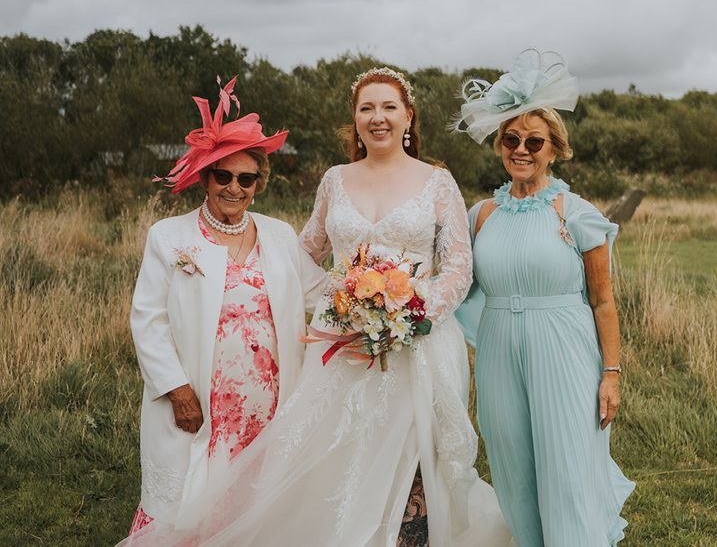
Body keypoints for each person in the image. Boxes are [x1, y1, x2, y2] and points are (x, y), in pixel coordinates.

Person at [122, 68, 513, 546]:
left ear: (408, 116)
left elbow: (458, 267)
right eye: (366, 108)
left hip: (416, 345)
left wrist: (409, 315)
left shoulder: (438, 182)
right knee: (335, 458)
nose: (378, 117)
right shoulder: (335, 180)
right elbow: (302, 253)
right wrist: (346, 305)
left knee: (415, 459)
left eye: (388, 107)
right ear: (355, 118)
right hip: (341, 346)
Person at [127, 77, 326, 534]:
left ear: (259, 183)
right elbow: (148, 321)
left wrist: (374, 293)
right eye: (223, 175)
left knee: (258, 499)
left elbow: (320, 293)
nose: (234, 188)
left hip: (268, 400)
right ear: (205, 177)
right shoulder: (169, 237)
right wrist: (177, 390)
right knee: (194, 500)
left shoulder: (278, 233)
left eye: (247, 178)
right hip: (200, 398)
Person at [453, 49, 635, 546]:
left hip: (565, 353)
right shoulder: (480, 215)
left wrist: (611, 374)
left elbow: (602, 302)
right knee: (513, 469)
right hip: (498, 356)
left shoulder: (576, 213)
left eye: (535, 141)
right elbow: (452, 288)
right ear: (499, 146)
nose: (522, 149)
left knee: (567, 472)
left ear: (555, 149)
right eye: (511, 139)